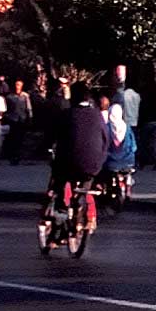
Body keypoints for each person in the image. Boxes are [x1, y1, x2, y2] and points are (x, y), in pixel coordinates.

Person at [44, 82, 110, 219]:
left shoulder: (67, 115)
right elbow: (105, 140)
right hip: (93, 165)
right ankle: (83, 202)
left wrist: (47, 149)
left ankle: (61, 204)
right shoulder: (97, 116)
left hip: (69, 164)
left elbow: (52, 136)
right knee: (87, 182)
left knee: (59, 175)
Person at [5, 79, 33, 165]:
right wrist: (7, 116)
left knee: (20, 138)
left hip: (22, 119)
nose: (17, 86)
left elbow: (29, 108)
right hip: (13, 119)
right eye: (16, 84)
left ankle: (18, 155)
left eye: (19, 84)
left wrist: (30, 117)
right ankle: (12, 156)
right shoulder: (9, 97)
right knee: (13, 138)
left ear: (22, 86)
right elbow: (6, 108)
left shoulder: (25, 96)